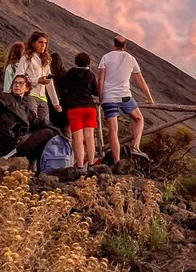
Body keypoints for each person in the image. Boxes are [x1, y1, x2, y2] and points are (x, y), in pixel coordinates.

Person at [0, 73, 59, 164]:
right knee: (48, 133)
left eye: (21, 83)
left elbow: (38, 122)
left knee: (50, 132)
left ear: (27, 88)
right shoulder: (3, 98)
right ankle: (33, 166)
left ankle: (34, 166)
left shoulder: (25, 108)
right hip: (10, 146)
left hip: (21, 143)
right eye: (15, 83)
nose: (17, 85)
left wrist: (58, 131)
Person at [98, 35, 154, 163]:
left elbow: (101, 80)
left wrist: (101, 97)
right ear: (125, 46)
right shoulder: (131, 59)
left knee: (113, 131)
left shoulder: (106, 57)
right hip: (124, 96)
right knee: (139, 119)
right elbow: (141, 81)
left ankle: (117, 161)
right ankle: (135, 146)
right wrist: (149, 98)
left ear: (114, 44)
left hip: (109, 97)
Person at [15, 31, 62, 122]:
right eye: (40, 42)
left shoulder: (46, 61)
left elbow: (49, 83)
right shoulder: (26, 58)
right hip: (30, 95)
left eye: (45, 43)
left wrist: (56, 103)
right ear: (33, 43)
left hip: (43, 98)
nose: (43, 45)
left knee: (45, 125)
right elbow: (18, 76)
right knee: (32, 122)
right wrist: (37, 80)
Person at [64, 52, 99, 171]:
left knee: (78, 138)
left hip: (74, 108)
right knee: (89, 137)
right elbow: (96, 92)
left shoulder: (69, 74)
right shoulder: (90, 75)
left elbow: (65, 87)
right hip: (89, 107)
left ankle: (79, 165)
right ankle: (90, 164)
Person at [47, 52, 70, 132]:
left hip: (51, 105)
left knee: (52, 130)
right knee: (65, 131)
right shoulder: (66, 75)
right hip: (65, 106)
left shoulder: (50, 75)